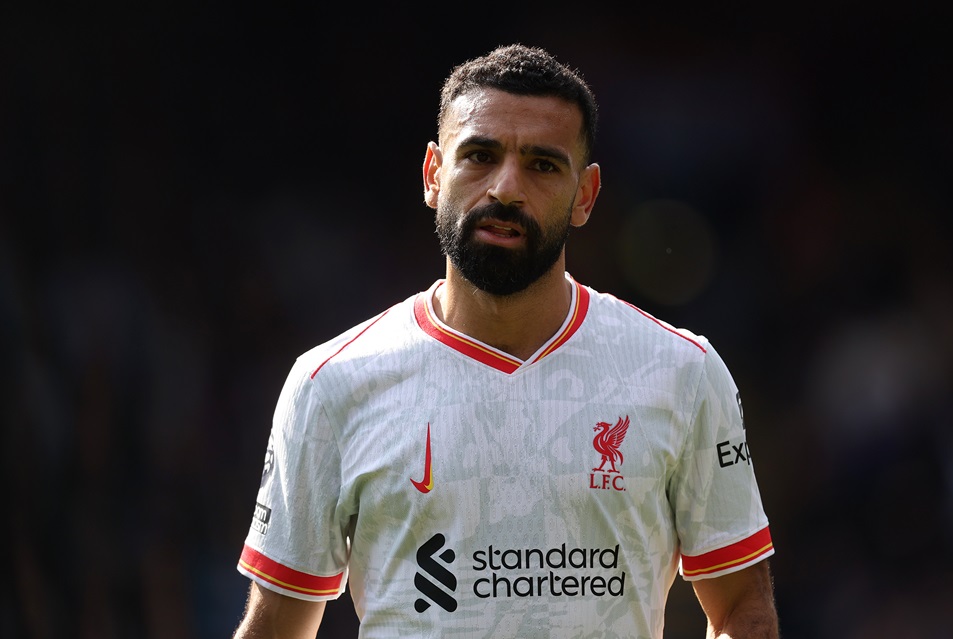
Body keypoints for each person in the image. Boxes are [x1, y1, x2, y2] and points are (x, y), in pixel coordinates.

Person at [232, 43, 779, 638]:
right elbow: (275, 628)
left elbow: (741, 611)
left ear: (586, 195)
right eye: (480, 156)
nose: (507, 188)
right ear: (433, 175)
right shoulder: (330, 383)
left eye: (543, 164)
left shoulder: (682, 372)